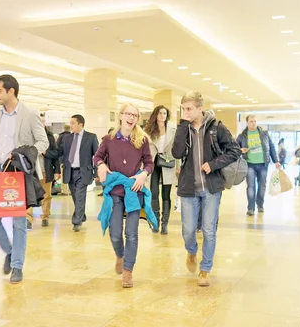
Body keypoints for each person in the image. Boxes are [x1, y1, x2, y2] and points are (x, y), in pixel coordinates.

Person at [0, 74, 48, 284]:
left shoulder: (30, 113)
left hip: (18, 175)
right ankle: (9, 251)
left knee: (18, 223)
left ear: (11, 91)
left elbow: (43, 142)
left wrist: (24, 153)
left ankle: (17, 265)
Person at [172, 92, 240, 287]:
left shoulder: (216, 128)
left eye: (189, 109)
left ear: (200, 108)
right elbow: (176, 152)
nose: (185, 112)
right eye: (183, 108)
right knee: (188, 230)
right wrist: (182, 126)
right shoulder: (184, 127)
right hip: (188, 187)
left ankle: (205, 269)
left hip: (211, 187)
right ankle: (191, 251)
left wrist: (214, 163)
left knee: (209, 230)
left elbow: (234, 150)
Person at [94, 104, 154, 288]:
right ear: (120, 116)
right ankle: (120, 254)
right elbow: (97, 157)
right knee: (115, 234)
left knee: (132, 234)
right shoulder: (108, 139)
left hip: (133, 192)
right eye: (128, 114)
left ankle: (128, 271)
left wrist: (143, 174)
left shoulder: (142, 140)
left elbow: (149, 163)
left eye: (135, 115)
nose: (131, 118)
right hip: (115, 193)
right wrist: (101, 165)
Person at [57, 114, 99, 232]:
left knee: (80, 196)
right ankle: (81, 215)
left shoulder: (91, 137)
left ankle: (76, 222)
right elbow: (60, 153)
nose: (70, 126)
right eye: (70, 123)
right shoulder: (67, 138)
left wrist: (96, 173)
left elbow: (97, 156)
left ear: (80, 125)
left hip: (83, 171)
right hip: (70, 171)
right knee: (76, 197)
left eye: (73, 123)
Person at [144, 105, 179, 234]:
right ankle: (155, 222)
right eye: (160, 113)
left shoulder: (172, 129)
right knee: (154, 194)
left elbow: (177, 149)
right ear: (156, 115)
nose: (162, 115)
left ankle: (165, 224)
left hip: (168, 163)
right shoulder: (148, 130)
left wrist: (178, 166)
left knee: (166, 195)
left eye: (164, 113)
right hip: (153, 164)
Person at [236, 115, 280, 216]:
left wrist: (276, 160)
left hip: (263, 164)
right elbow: (233, 147)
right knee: (251, 186)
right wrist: (240, 150)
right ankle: (251, 208)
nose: (254, 123)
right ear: (247, 123)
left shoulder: (264, 134)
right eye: (251, 121)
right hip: (249, 164)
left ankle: (260, 204)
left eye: (255, 121)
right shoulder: (242, 135)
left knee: (262, 186)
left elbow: (272, 147)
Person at [26, 114, 60, 228]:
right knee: (29, 194)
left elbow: (56, 154)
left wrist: (57, 170)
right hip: (31, 170)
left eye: (43, 121)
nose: (41, 123)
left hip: (46, 170)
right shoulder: (28, 135)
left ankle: (45, 216)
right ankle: (28, 218)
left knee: (47, 195)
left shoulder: (50, 136)